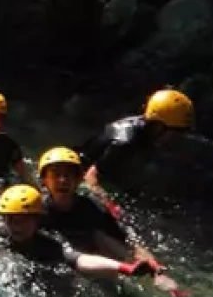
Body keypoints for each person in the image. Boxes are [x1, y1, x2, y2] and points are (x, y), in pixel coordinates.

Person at [36, 147, 182, 295]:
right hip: (63, 255)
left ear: (79, 179)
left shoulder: (90, 208)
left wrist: (156, 270)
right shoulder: (37, 210)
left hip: (90, 250)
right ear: (44, 180)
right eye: (56, 175)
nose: (63, 180)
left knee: (102, 236)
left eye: (68, 175)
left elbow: (127, 242)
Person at [0, 184, 160, 282]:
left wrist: (125, 268)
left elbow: (81, 259)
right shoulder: (0, 230)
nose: (16, 226)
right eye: (10, 219)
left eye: (23, 220)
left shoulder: (51, 246)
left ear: (37, 221)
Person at [77, 89, 194, 217]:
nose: (175, 138)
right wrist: (111, 207)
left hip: (109, 173)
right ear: (159, 126)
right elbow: (90, 177)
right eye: (175, 132)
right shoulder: (125, 141)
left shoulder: (145, 130)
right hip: (81, 175)